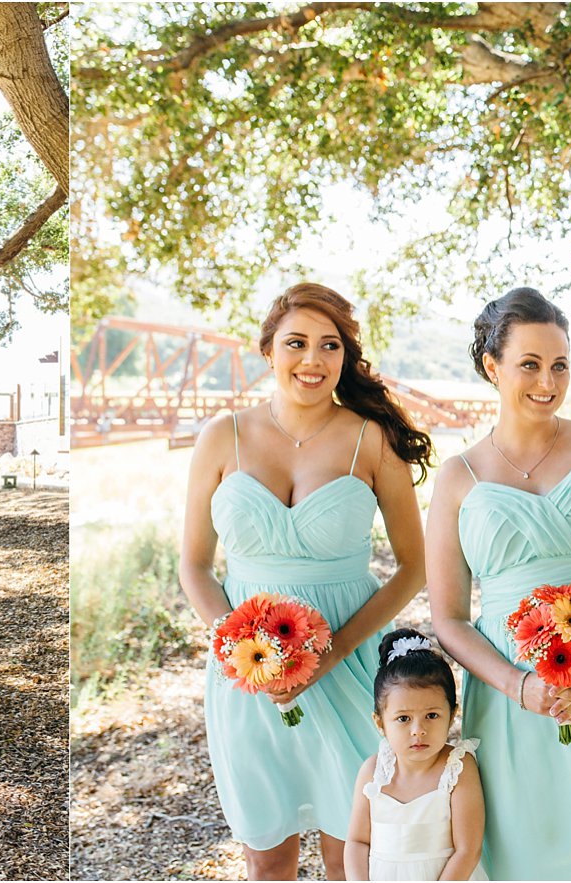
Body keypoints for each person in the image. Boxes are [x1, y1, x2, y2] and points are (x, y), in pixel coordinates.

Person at [179, 283, 432, 879]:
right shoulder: (222, 437)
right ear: (269, 351)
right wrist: (239, 649)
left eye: (330, 346)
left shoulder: (371, 439)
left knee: (352, 853)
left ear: (345, 357)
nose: (313, 361)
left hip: (350, 663)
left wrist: (334, 651)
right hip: (245, 672)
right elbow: (194, 564)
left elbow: (414, 566)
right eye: (297, 343)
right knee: (267, 858)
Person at [425, 287, 571, 878]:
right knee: (535, 855)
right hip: (512, 702)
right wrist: (520, 687)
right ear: (492, 367)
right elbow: (448, 618)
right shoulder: (459, 477)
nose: (548, 381)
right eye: (529, 364)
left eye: (560, 365)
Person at [345, 629, 486, 882]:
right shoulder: (372, 773)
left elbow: (468, 850)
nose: (418, 730)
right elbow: (357, 841)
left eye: (432, 716)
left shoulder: (458, 768)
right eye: (403, 719)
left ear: (452, 715)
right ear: (380, 722)